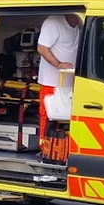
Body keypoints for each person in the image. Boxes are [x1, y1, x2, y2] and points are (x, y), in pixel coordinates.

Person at [35, 13, 82, 148]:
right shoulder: (54, 22)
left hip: (71, 80)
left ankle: (61, 146)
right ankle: (44, 146)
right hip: (52, 81)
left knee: (66, 115)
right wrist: (58, 64)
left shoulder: (79, 25)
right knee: (48, 114)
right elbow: (42, 48)